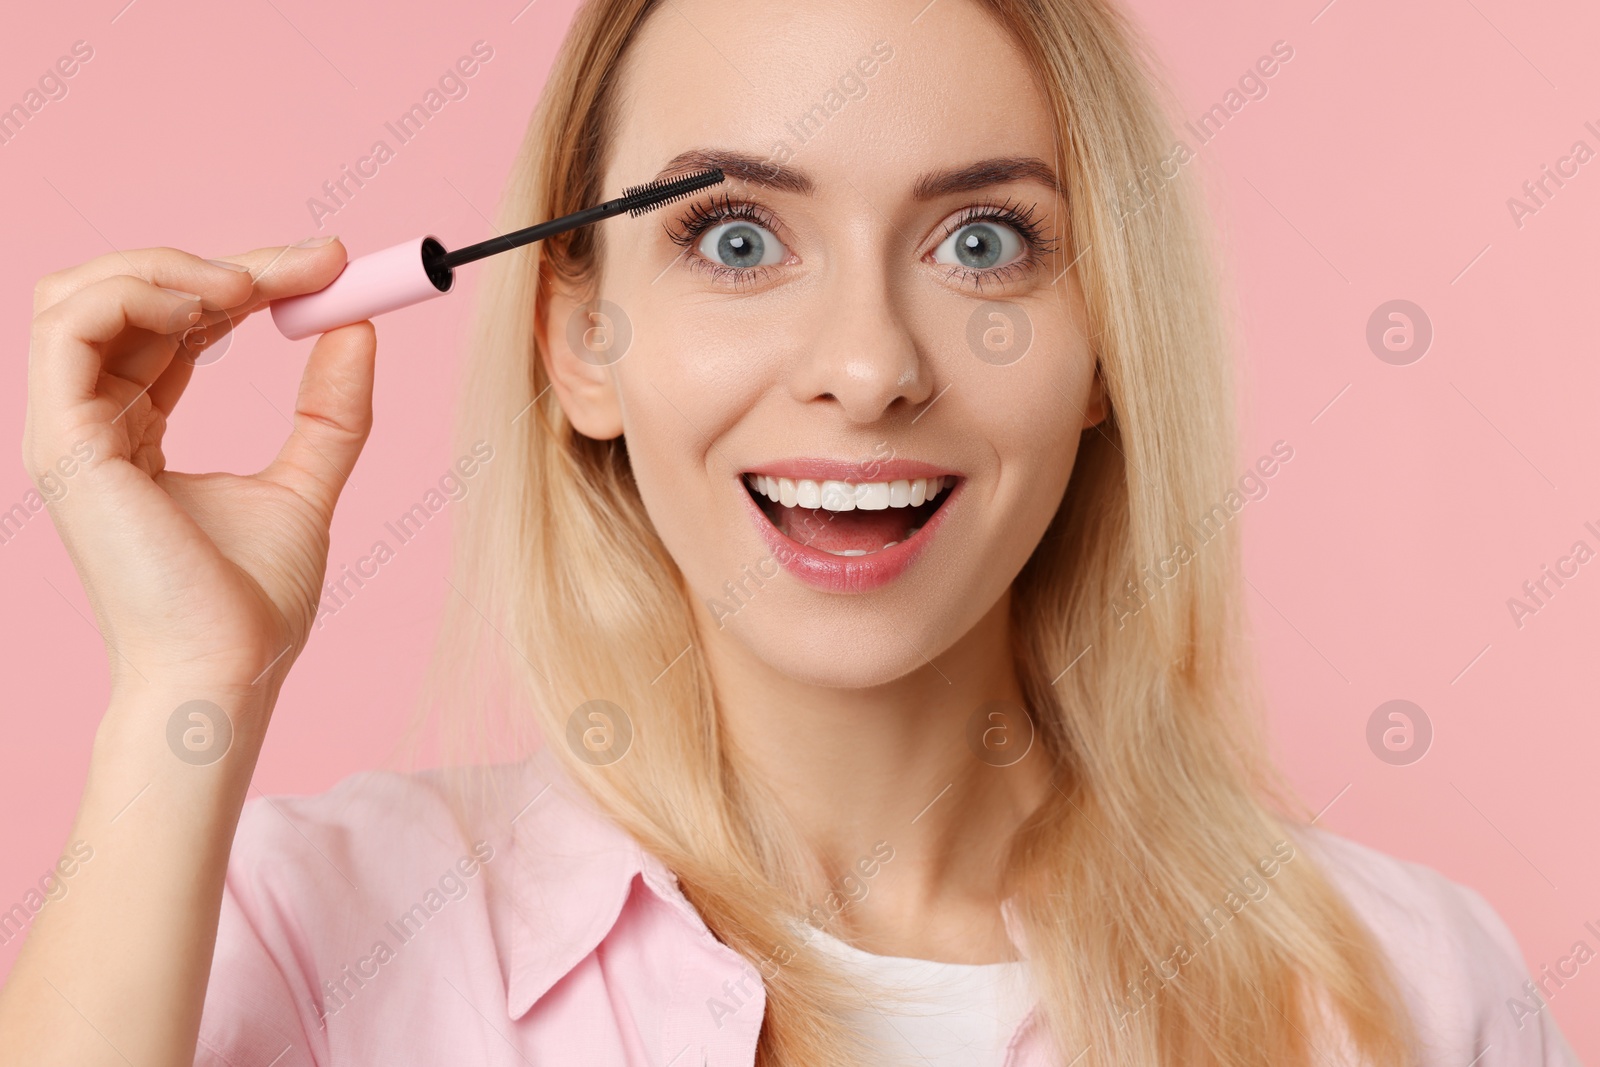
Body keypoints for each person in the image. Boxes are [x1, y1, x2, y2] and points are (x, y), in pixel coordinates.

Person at [1, 0, 1582, 1064]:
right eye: (738, 237)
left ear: (1107, 347)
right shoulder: (295, 927)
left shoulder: (1412, 992)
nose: (870, 367)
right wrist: (182, 687)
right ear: (579, 345)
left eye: (983, 242)